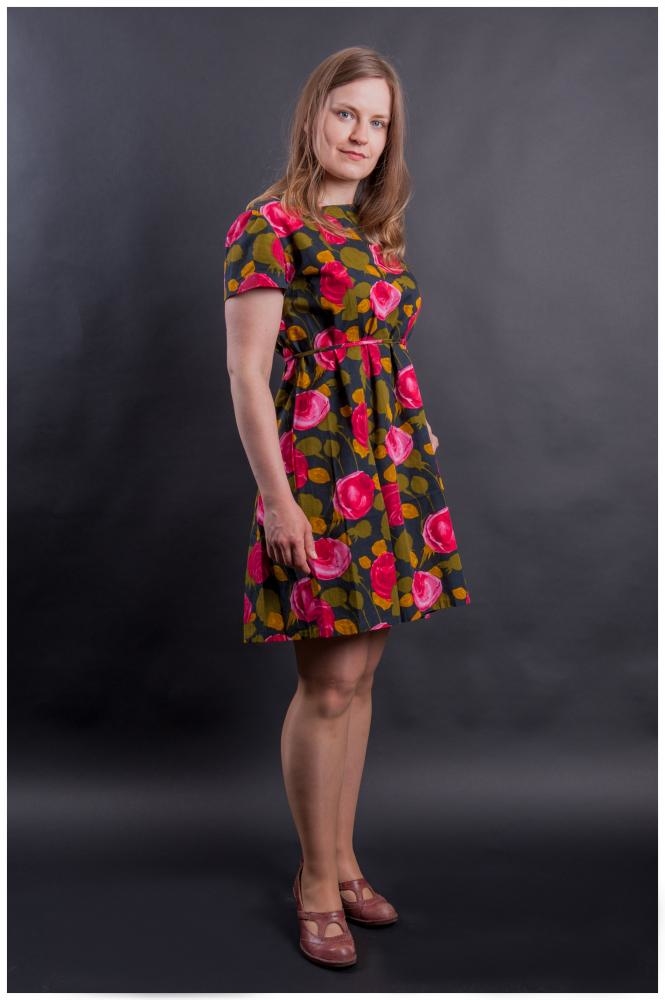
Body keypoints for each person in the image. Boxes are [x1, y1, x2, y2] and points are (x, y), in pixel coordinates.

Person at [223, 46, 471, 968]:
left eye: (378, 122)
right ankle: (315, 885)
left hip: (389, 474)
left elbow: (383, 354)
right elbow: (247, 375)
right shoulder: (267, 224)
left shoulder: (372, 231)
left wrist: (414, 431)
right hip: (319, 476)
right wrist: (277, 502)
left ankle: (342, 859)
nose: (361, 135)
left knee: (359, 681)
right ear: (312, 115)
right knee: (326, 685)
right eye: (346, 114)